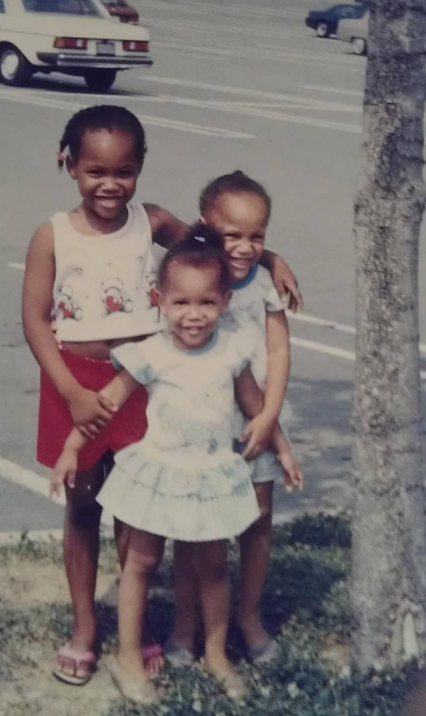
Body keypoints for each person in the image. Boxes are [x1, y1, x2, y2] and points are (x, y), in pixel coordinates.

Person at [22, 104, 302, 686]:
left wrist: (269, 257)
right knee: (83, 505)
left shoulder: (151, 222)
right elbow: (34, 319)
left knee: (135, 506)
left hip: (138, 384)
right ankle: (83, 630)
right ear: (67, 164)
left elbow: (217, 246)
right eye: (94, 171)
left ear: (140, 167)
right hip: (76, 382)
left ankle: (140, 628)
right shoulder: (51, 233)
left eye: (123, 171)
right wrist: (72, 391)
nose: (109, 183)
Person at [51, 225, 301, 703]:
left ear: (224, 302)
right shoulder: (150, 354)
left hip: (209, 474)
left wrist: (282, 449)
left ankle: (216, 653)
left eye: (206, 303)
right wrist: (69, 450)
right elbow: (104, 404)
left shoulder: (230, 352)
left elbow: (255, 407)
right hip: (159, 473)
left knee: (212, 566)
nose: (194, 315)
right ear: (162, 302)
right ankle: (128, 657)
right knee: (141, 562)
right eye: (181, 303)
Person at [167, 171, 304, 670]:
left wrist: (269, 416)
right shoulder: (195, 274)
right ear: (206, 226)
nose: (246, 248)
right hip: (198, 426)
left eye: (258, 237)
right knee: (193, 528)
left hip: (257, 426)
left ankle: (247, 617)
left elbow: (278, 347)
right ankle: (185, 626)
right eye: (234, 235)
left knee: (256, 522)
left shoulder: (264, 283)